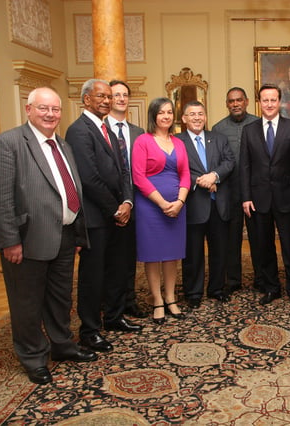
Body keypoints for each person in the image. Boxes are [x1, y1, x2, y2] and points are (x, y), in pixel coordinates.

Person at [0, 87, 98, 384]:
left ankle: (62, 346)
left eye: (56, 110)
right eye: (44, 108)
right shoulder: (8, 143)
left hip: (63, 236)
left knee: (60, 298)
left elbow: (68, 188)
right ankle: (33, 356)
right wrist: (10, 240)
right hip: (26, 239)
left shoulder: (62, 145)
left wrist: (74, 231)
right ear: (29, 109)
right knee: (27, 302)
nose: (50, 115)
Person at [66, 79, 142, 353]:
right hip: (98, 218)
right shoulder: (78, 130)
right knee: (93, 275)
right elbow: (89, 177)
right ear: (86, 100)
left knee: (117, 270)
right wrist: (115, 209)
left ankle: (113, 317)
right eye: (101, 96)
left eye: (109, 97)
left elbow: (123, 170)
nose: (107, 101)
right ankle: (89, 330)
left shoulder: (107, 128)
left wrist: (127, 201)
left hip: (118, 212)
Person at [240, 83, 290, 311]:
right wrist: (246, 196)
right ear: (259, 102)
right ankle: (271, 287)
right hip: (258, 198)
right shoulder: (249, 130)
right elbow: (245, 166)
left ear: (279, 102)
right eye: (265, 100)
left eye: (273, 100)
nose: (269, 104)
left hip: (288, 197)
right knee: (264, 247)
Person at [132, 98, 190, 324]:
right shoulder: (142, 141)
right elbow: (138, 176)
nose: (166, 116)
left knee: (172, 255)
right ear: (153, 115)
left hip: (177, 205)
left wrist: (180, 201)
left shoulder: (179, 142)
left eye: (169, 112)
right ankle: (157, 299)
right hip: (150, 207)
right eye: (161, 112)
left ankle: (170, 297)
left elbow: (185, 174)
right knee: (153, 255)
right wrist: (162, 203)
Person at [176, 101, 235, 309]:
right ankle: (193, 292)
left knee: (220, 250)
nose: (197, 118)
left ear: (205, 116)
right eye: (192, 114)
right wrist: (201, 180)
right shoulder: (177, 141)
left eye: (200, 113)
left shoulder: (218, 138)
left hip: (218, 205)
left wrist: (214, 176)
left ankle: (216, 288)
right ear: (183, 118)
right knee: (193, 252)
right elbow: (176, 167)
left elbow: (229, 162)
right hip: (193, 204)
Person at [211, 88, 260, 294]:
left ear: (247, 101)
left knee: (259, 237)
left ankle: (262, 279)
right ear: (227, 104)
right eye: (231, 101)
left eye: (239, 100)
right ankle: (233, 280)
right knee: (232, 238)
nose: (235, 104)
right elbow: (215, 159)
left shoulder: (258, 124)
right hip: (229, 191)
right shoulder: (218, 128)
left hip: (255, 192)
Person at [106, 79, 146, 319]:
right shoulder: (101, 130)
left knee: (130, 254)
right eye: (115, 95)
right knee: (111, 257)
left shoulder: (138, 133)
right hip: (109, 203)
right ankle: (111, 302)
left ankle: (129, 299)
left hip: (136, 200)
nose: (120, 99)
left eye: (124, 95)